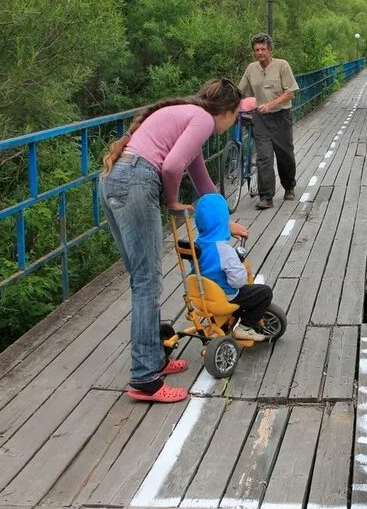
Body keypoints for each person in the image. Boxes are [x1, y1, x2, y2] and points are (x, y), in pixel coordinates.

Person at [99, 78, 250, 404]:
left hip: (114, 180)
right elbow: (171, 167)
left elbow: (201, 180)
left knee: (142, 280)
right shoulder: (204, 119)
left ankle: (154, 361)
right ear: (226, 111)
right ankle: (144, 380)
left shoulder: (190, 115)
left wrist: (225, 222)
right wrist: (172, 200)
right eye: (236, 115)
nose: (234, 122)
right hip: (136, 183)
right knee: (147, 283)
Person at [194, 193, 272, 342]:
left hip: (201, 296)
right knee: (264, 292)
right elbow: (238, 282)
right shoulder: (224, 250)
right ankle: (244, 326)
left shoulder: (196, 245)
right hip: (224, 296)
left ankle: (229, 319)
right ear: (224, 221)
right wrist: (242, 268)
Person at [238, 33, 299, 209]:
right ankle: (266, 197)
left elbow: (291, 93)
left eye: (263, 49)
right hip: (260, 118)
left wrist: (270, 104)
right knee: (264, 157)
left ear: (270, 50)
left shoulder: (282, 65)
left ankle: (289, 187)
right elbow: (241, 90)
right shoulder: (251, 69)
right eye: (256, 50)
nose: (260, 53)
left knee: (285, 155)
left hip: (281, 116)